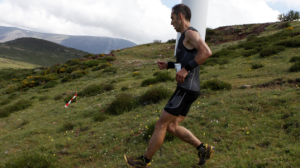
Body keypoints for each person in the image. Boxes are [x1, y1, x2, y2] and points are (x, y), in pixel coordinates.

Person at [124, 4, 214, 167]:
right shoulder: (184, 36)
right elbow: (188, 59)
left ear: (180, 16)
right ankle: (203, 149)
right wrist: (171, 65)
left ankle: (144, 161)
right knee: (172, 126)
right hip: (190, 89)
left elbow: (206, 52)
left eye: (172, 18)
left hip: (186, 89)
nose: (171, 22)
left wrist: (186, 69)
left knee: (161, 125)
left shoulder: (190, 33)